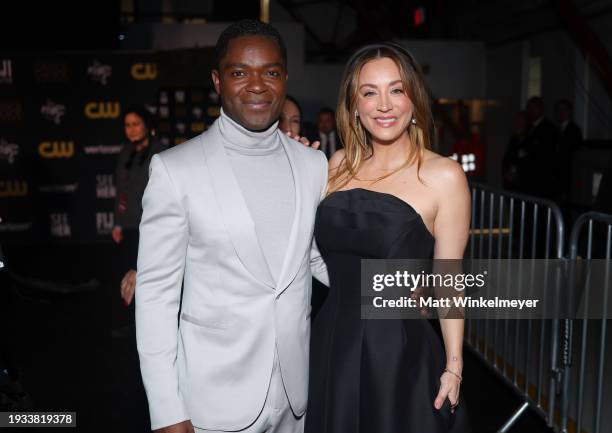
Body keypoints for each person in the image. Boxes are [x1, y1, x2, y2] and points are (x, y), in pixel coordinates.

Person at [135, 20, 328, 433]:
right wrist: (167, 411)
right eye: (240, 72)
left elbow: (318, 258)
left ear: (285, 78)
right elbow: (156, 299)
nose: (257, 85)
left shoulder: (313, 165)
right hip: (213, 401)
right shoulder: (175, 170)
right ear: (217, 81)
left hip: (297, 399)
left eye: (271, 72)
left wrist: (400, 287)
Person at [306, 43, 471, 432]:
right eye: (369, 92)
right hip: (331, 339)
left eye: (396, 90)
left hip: (397, 353)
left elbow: (449, 280)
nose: (384, 104)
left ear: (414, 98)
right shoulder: (336, 165)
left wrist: (454, 366)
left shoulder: (444, 176)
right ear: (354, 105)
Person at [112, 106, 165, 336]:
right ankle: (133, 323)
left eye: (136, 124)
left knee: (149, 277)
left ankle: (151, 324)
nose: (131, 129)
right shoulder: (125, 153)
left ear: (147, 125)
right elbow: (121, 191)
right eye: (127, 125)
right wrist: (117, 222)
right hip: (129, 225)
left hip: (153, 227)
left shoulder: (160, 153)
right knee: (129, 275)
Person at [524, 96, 559, 198]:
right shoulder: (529, 127)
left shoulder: (549, 128)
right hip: (529, 180)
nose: (529, 111)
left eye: (532, 108)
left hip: (541, 180)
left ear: (540, 109)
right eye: (528, 108)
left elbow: (547, 155)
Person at [502, 111, 530, 192]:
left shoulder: (530, 142)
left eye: (521, 122)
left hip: (524, 188)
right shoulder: (513, 140)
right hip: (512, 187)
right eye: (517, 122)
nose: (518, 125)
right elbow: (507, 159)